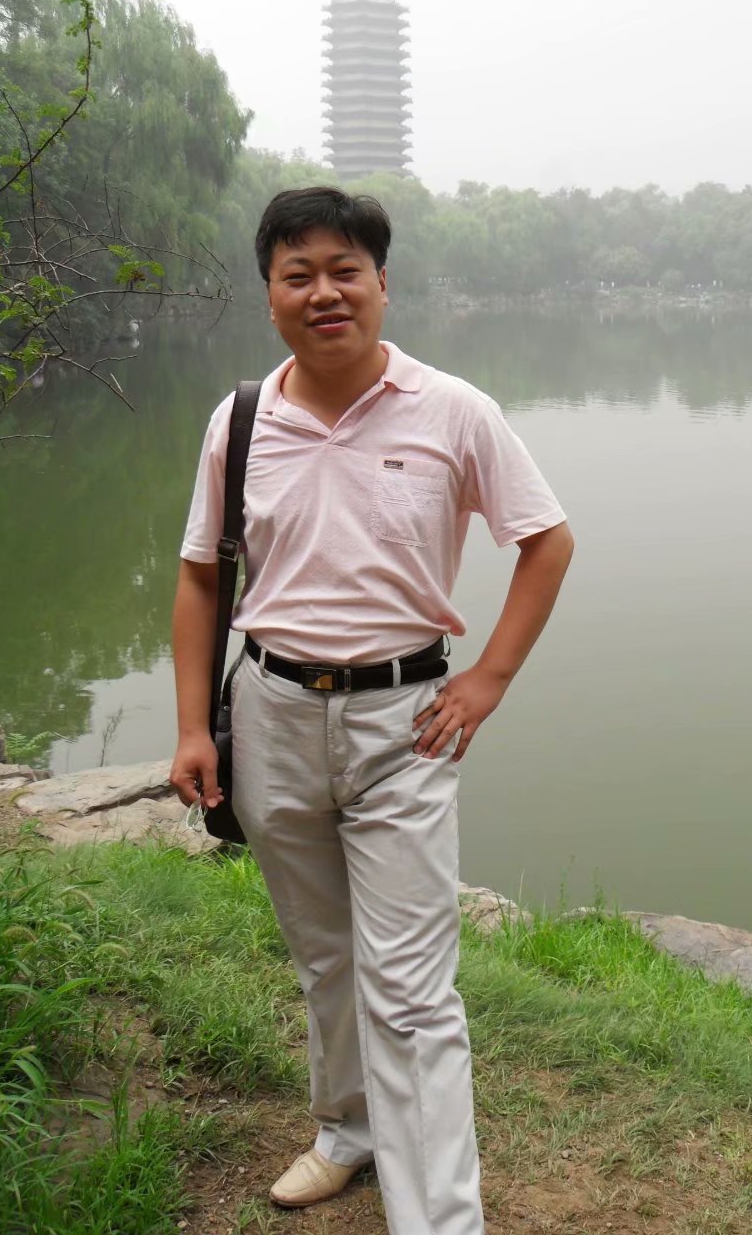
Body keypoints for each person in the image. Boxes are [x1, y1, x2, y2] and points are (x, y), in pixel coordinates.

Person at [169, 187, 574, 1235]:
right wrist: (191, 727)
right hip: (270, 714)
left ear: (382, 284)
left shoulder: (454, 410)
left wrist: (488, 678)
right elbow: (202, 576)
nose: (325, 293)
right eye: (297, 274)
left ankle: (438, 1219)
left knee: (412, 990)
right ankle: (347, 1131)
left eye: (345, 270)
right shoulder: (241, 419)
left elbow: (546, 541)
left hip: (403, 723)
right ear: (269, 295)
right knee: (326, 958)